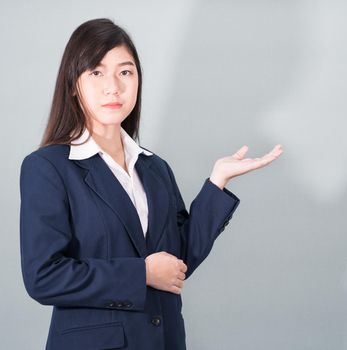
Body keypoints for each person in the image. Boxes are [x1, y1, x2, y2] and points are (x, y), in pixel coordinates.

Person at [19, 18, 283, 350]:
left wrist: (218, 181)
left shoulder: (155, 168)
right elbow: (44, 277)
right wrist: (141, 274)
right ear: (74, 83)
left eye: (125, 72)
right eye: (97, 72)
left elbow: (176, 263)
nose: (113, 87)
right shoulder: (48, 167)